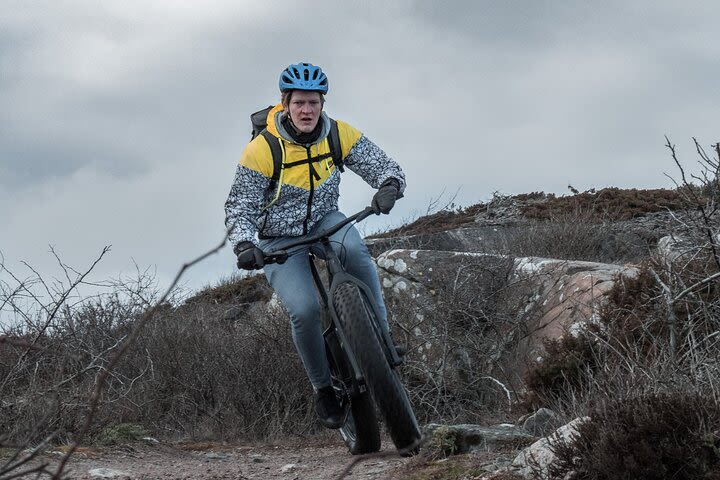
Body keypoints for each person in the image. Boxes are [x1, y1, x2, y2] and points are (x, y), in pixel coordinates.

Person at [224, 62, 406, 429]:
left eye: (313, 103)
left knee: (355, 253)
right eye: (299, 103)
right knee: (305, 309)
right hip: (278, 238)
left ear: (322, 104)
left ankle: (382, 342)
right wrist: (245, 244)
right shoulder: (262, 150)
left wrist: (389, 185)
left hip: (326, 221)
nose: (306, 111)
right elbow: (240, 204)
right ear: (285, 104)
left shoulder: (339, 135)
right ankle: (323, 389)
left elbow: (384, 166)